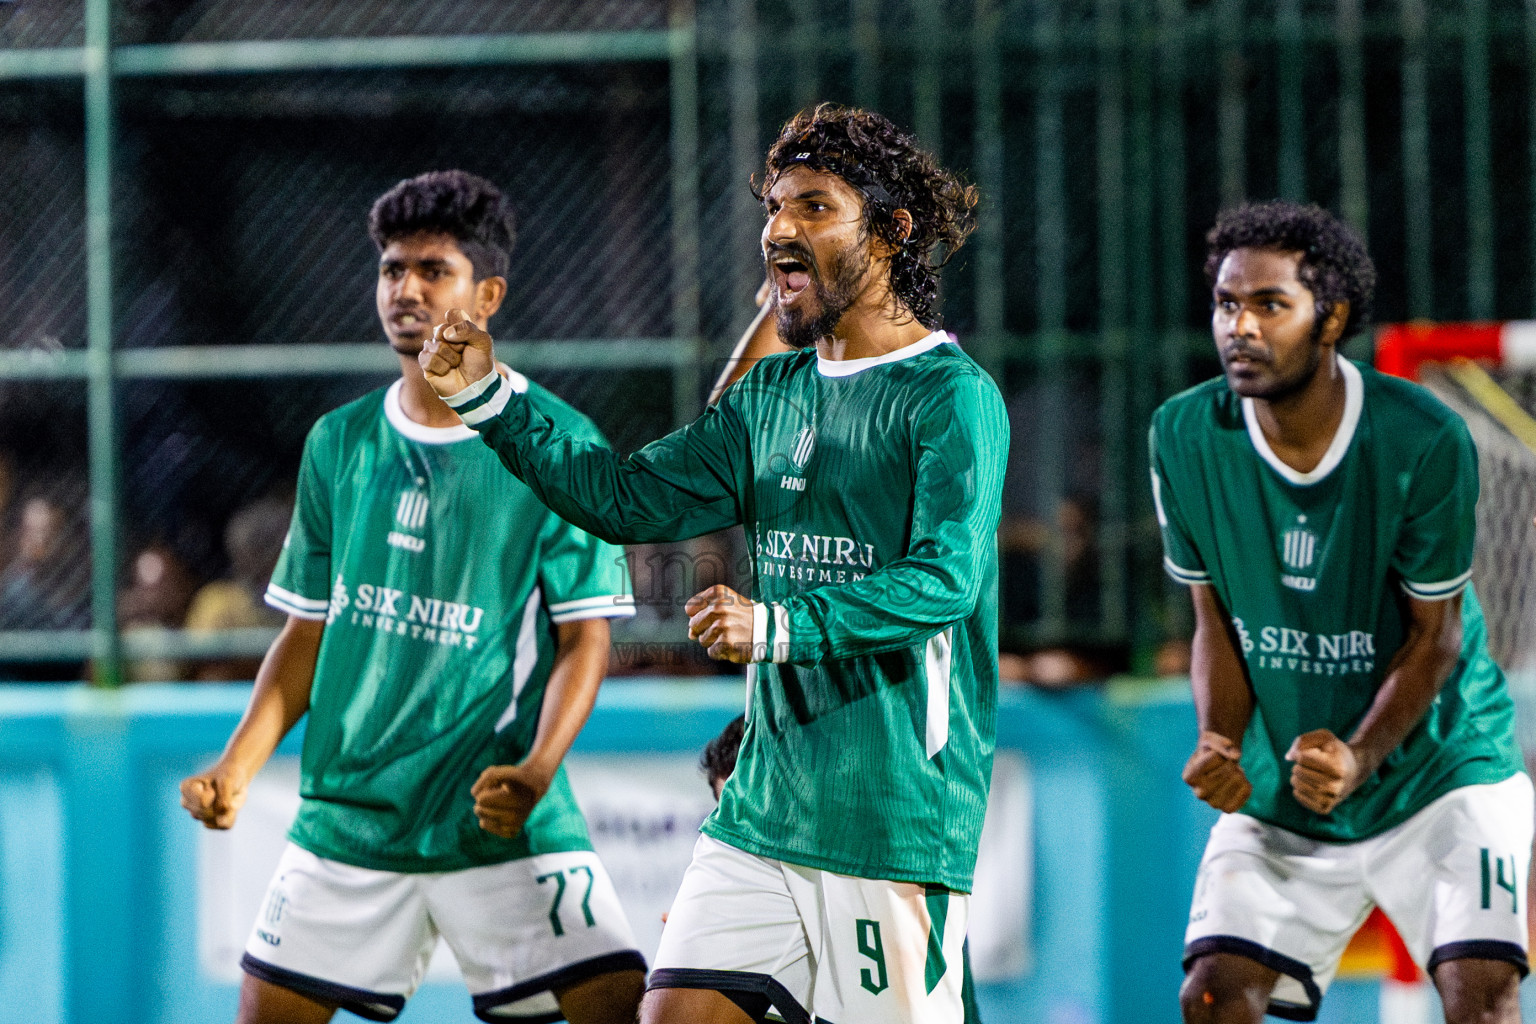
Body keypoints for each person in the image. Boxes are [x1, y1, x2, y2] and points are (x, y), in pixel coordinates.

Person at [421, 104, 1004, 1024]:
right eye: (775, 208)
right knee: (676, 1014)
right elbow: (626, 500)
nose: (778, 227)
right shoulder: (770, 395)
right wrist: (493, 400)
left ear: (892, 231)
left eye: (814, 206)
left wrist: (775, 627)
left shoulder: (951, 397)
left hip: (892, 820)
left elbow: (945, 581)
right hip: (763, 811)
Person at [179, 170, 645, 1024]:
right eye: (393, 269)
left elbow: (586, 641)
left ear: (489, 293)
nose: (407, 289)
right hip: (350, 820)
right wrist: (237, 767)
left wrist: (538, 770)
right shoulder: (340, 441)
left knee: (623, 1009)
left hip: (494, 817)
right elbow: (305, 632)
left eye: (434, 269)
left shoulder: (560, 445)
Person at [1151, 200, 1529, 1024]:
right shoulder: (1182, 434)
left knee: (1482, 996)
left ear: (1333, 318)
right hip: (1290, 781)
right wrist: (1219, 735)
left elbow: (1438, 635)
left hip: (1440, 771)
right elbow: (1214, 621)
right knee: (1214, 994)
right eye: (1226, 304)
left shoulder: (1423, 438)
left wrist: (1359, 757)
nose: (1239, 327)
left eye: (1268, 305)